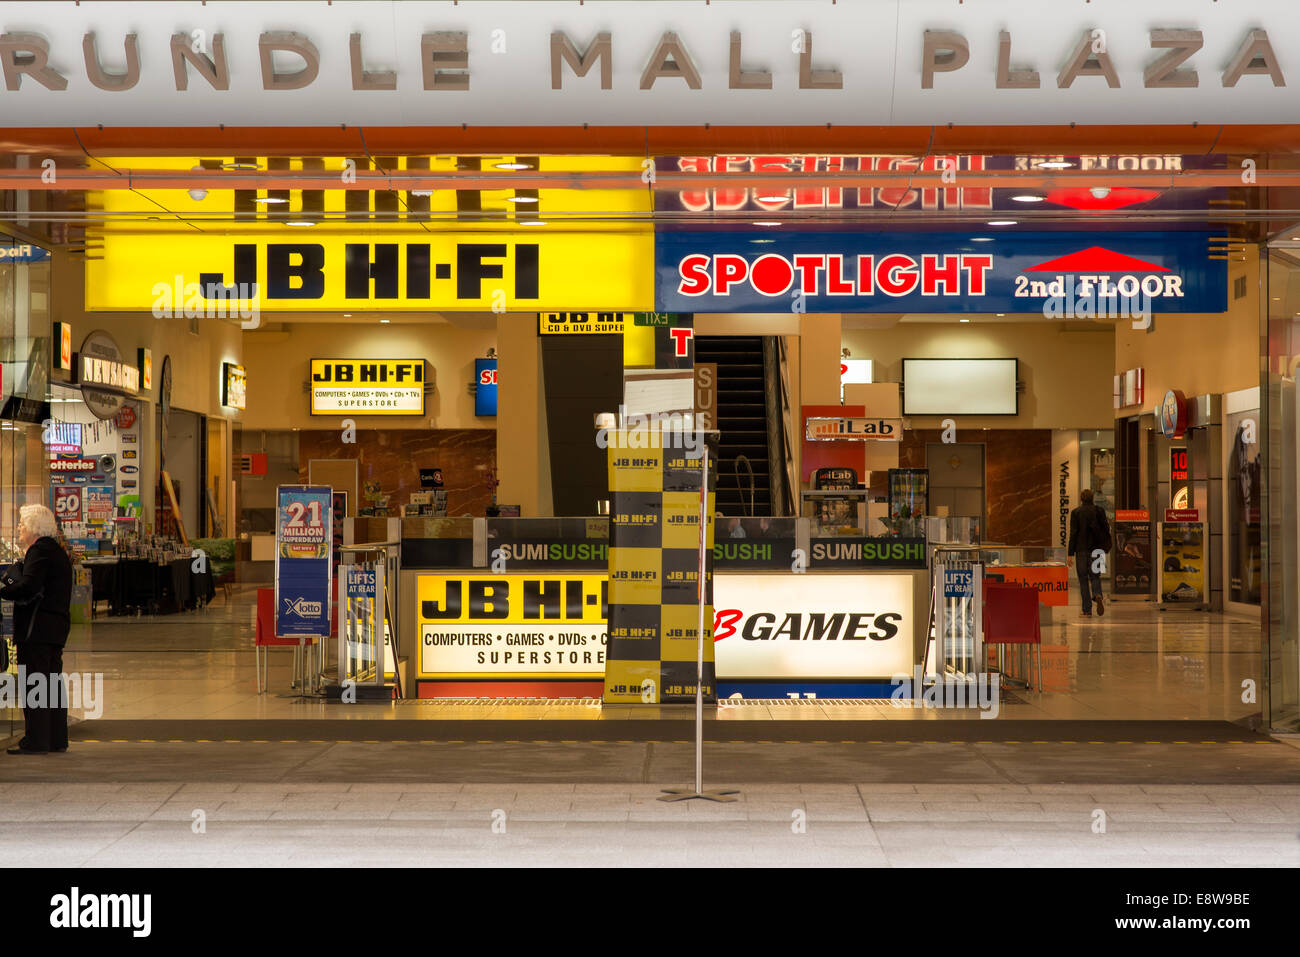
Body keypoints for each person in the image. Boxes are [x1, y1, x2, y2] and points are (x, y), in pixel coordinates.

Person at [0, 504, 72, 754]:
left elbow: (29, 587)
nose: (19, 527)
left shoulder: (39, 552)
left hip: (36, 629)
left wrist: (6, 589)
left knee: (35, 683)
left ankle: (37, 739)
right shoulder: (56, 552)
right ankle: (55, 738)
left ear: (33, 527)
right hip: (54, 627)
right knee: (51, 683)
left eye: (21, 523)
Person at [1067, 488, 1112, 618]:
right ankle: (1098, 594)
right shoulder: (1100, 511)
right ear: (1093, 498)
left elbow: (1073, 534)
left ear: (1081, 499)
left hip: (1081, 550)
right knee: (1095, 576)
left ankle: (1086, 610)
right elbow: (1106, 529)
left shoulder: (1076, 513)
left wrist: (1070, 554)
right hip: (1097, 550)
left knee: (1083, 580)